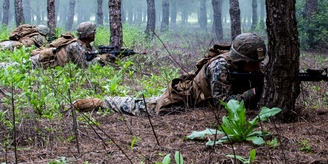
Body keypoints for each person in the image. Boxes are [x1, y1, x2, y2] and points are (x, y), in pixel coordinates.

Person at [73, 32, 266, 115]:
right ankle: (101, 102)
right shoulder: (220, 67)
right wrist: (254, 94)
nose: (257, 67)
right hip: (180, 99)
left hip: (194, 99)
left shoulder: (247, 67)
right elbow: (223, 103)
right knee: (139, 106)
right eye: (253, 63)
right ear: (241, 60)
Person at [30, 22, 98, 69]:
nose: (94, 34)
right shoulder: (75, 46)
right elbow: (83, 66)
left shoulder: (83, 45)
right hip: (35, 64)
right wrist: (99, 59)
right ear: (89, 34)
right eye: (93, 32)